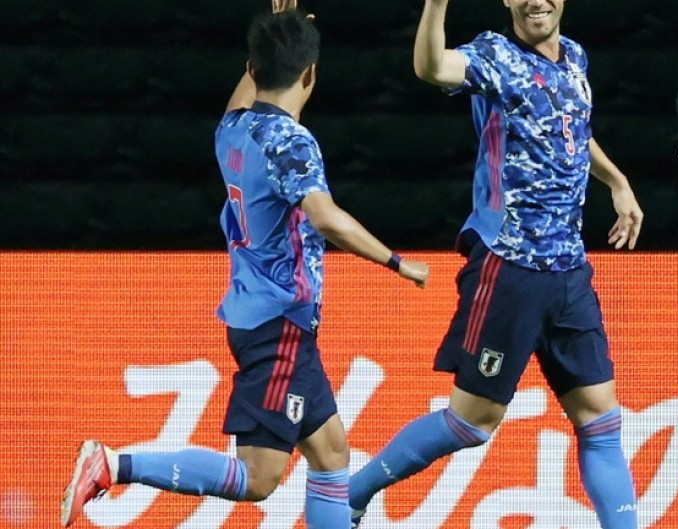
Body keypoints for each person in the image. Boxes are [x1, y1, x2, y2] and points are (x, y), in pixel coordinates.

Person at [60, 2, 429, 527]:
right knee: (258, 478)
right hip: (278, 326)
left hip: (265, 320)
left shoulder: (232, 132)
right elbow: (326, 218)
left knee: (332, 456)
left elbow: (245, 95)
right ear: (311, 74)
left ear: (253, 69)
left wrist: (276, 35)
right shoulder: (293, 143)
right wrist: (397, 263)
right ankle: (114, 465)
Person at [348, 1, 642, 528]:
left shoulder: (574, 57)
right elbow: (432, 68)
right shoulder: (493, 55)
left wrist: (616, 181)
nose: (537, 1)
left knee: (601, 420)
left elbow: (573, 127)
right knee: (471, 423)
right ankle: (352, 494)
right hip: (510, 265)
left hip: (569, 270)